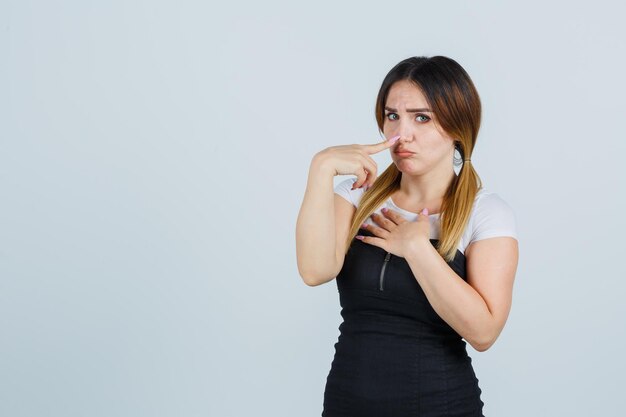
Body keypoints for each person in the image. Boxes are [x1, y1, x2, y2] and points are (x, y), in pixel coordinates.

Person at [295, 55, 519, 417]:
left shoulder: (486, 213)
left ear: (458, 126)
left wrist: (417, 248)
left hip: (442, 406)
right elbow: (314, 270)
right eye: (392, 116)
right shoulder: (355, 196)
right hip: (346, 404)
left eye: (422, 117)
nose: (402, 134)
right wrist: (320, 169)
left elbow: (484, 333)